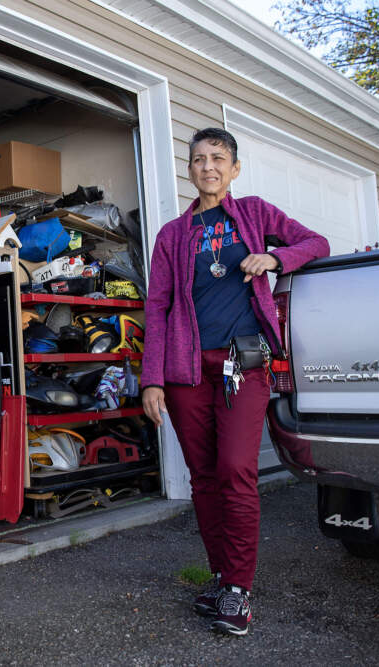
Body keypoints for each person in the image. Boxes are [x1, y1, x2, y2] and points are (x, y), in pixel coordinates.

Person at [141, 127, 330, 636]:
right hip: (185, 372)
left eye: (218, 159)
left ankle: (240, 590)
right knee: (203, 475)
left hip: (242, 365)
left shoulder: (255, 214)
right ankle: (224, 577)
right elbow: (157, 307)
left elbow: (317, 243)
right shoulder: (172, 235)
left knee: (234, 469)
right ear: (190, 170)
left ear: (234, 168)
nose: (208, 167)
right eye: (199, 160)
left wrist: (275, 257)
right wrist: (151, 379)